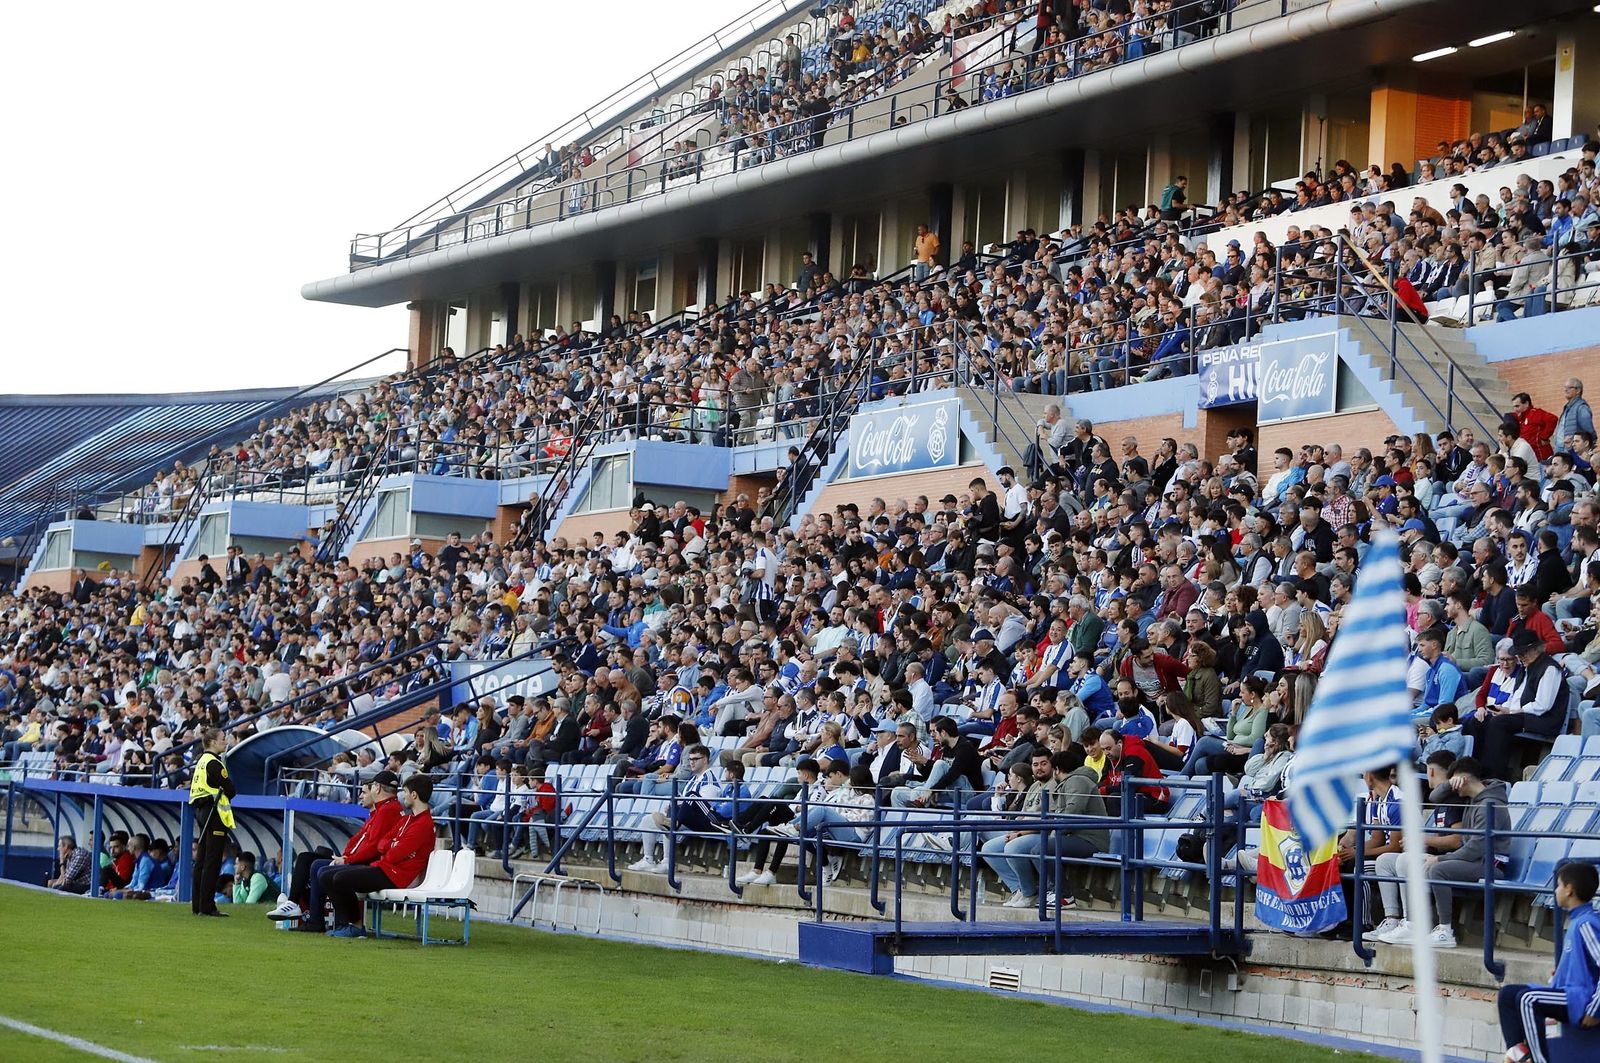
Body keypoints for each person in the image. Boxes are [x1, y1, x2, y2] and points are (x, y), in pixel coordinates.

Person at [267, 770, 406, 926]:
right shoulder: (382, 811)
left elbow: (373, 846)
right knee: (307, 858)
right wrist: (346, 857)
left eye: (365, 791)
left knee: (317, 866)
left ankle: (322, 921)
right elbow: (361, 841)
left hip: (372, 866)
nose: (360, 796)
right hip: (365, 862)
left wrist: (347, 859)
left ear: (378, 788)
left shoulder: (386, 810)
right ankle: (297, 906)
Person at [1498, 862, 1600, 1063]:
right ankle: (1521, 1054)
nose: (1556, 890)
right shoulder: (1576, 921)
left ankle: (1538, 1060)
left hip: (1580, 1000)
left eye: (1559, 885)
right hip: (1568, 994)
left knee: (1528, 999)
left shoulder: (1587, 923)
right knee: (1507, 995)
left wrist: (1595, 1009)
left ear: (1569, 890)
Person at [320, 774, 438, 939]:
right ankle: (346, 924)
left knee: (340, 878)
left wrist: (392, 846)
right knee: (326, 875)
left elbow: (393, 855)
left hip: (397, 876)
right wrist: (393, 844)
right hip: (384, 868)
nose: (402, 796)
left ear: (414, 795)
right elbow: (383, 843)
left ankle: (356, 926)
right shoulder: (408, 820)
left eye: (404, 792)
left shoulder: (424, 824)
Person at [188, 727, 236, 917]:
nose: (225, 742)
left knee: (201, 859)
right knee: (212, 861)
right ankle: (207, 906)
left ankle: (197, 905)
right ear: (213, 742)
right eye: (223, 739)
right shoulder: (215, 764)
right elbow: (231, 789)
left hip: (202, 810)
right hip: (214, 814)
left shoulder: (201, 761)